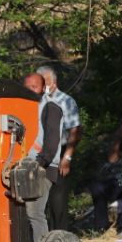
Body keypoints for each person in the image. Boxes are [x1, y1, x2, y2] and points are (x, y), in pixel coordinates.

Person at [36, 65, 82, 232]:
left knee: (58, 201)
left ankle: (60, 235)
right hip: (39, 153)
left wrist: (67, 157)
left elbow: (75, 130)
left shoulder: (66, 101)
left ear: (53, 83)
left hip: (60, 151)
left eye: (45, 82)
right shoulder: (37, 101)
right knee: (39, 200)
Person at [22, 73, 63, 242]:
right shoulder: (22, 107)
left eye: (34, 86)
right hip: (24, 167)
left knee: (35, 211)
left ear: (43, 88)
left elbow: (52, 139)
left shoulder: (50, 107)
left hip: (42, 168)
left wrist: (41, 162)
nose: (30, 90)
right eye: (27, 86)